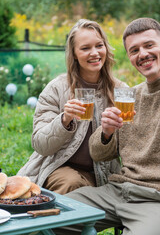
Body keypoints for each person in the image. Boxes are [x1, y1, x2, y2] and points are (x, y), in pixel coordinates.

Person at [56, 18, 160, 235]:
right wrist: (106, 132)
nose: (142, 54)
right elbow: (99, 153)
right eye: (134, 50)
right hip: (117, 192)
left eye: (149, 45)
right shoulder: (130, 96)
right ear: (130, 58)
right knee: (50, 215)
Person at [17, 19, 125, 194]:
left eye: (99, 45)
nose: (95, 53)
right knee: (71, 184)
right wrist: (64, 120)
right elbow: (40, 144)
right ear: (74, 54)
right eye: (85, 48)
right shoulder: (57, 88)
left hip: (105, 172)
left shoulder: (120, 91)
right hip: (60, 168)